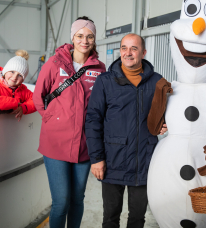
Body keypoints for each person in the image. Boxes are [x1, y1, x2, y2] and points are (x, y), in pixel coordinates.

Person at [85, 33, 167, 228]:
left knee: (138, 218)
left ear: (144, 52)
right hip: (114, 159)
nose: (128, 53)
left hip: (144, 161)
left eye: (134, 48)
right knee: (110, 218)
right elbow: (93, 120)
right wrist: (96, 158)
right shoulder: (105, 81)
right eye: (124, 48)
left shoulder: (157, 82)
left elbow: (167, 111)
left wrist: (165, 122)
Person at [33, 16, 106, 228]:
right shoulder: (55, 64)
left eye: (89, 36)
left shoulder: (100, 69)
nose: (85, 40)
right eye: (80, 36)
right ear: (72, 37)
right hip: (55, 144)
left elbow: (104, 104)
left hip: (84, 146)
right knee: (61, 202)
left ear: (94, 39)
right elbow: (38, 96)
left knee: (77, 199)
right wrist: (51, 119)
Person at [0, 50, 36, 120]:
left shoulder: (23, 90)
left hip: (14, 127)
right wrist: (15, 103)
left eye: (19, 75)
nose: (14, 77)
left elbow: (36, 100)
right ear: (5, 72)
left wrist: (23, 107)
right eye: (12, 72)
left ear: (22, 80)